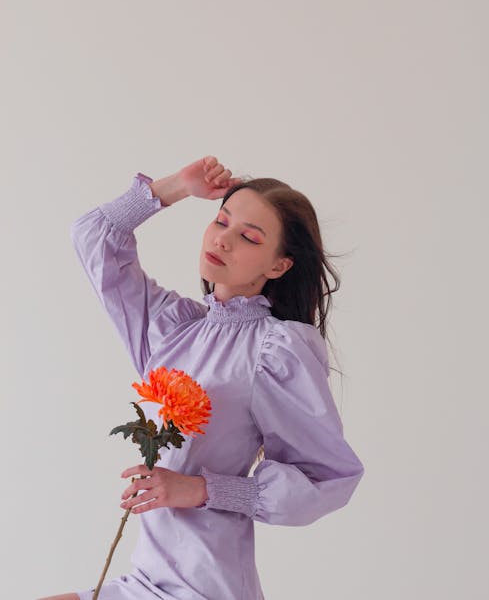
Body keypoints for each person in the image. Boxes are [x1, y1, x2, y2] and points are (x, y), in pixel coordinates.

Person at [37, 155, 365, 600]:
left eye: (248, 237)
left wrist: (202, 489)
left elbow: (329, 480)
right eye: (221, 221)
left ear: (278, 266)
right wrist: (175, 187)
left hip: (207, 586)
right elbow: (93, 239)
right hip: (146, 579)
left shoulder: (276, 350)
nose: (223, 240)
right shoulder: (173, 330)